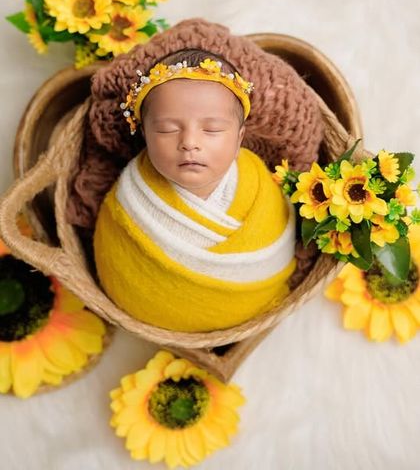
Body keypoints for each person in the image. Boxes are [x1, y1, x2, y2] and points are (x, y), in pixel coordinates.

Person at [93, 49, 297, 332]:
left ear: (239, 139)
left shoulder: (259, 187)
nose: (189, 142)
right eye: (166, 129)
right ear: (144, 135)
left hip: (251, 308)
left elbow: (281, 238)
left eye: (212, 130)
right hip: (147, 312)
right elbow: (113, 254)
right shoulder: (129, 198)